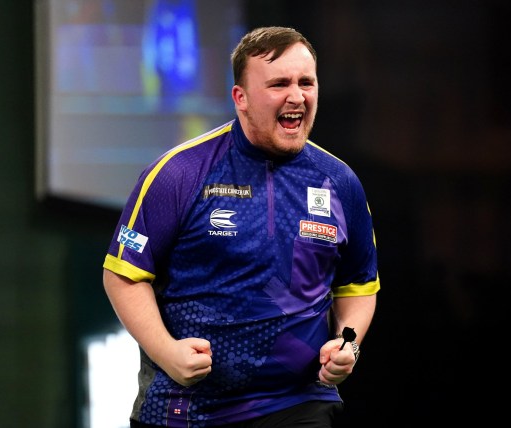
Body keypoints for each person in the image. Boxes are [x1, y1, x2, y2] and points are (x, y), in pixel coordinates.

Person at [102, 26, 380, 428]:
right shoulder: (178, 174)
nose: (297, 96)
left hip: (298, 404)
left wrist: (348, 345)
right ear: (241, 98)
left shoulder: (340, 182)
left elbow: (358, 285)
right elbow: (123, 274)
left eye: (306, 82)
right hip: (186, 408)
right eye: (279, 83)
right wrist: (167, 352)